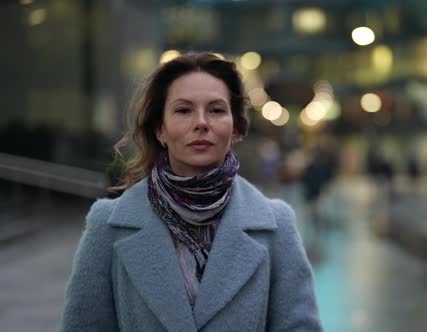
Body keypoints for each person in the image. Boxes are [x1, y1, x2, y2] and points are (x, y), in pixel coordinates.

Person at [60, 52, 321, 331]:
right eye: (184, 110)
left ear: (234, 129)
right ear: (160, 128)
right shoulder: (107, 225)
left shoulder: (277, 225)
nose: (201, 123)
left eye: (216, 110)